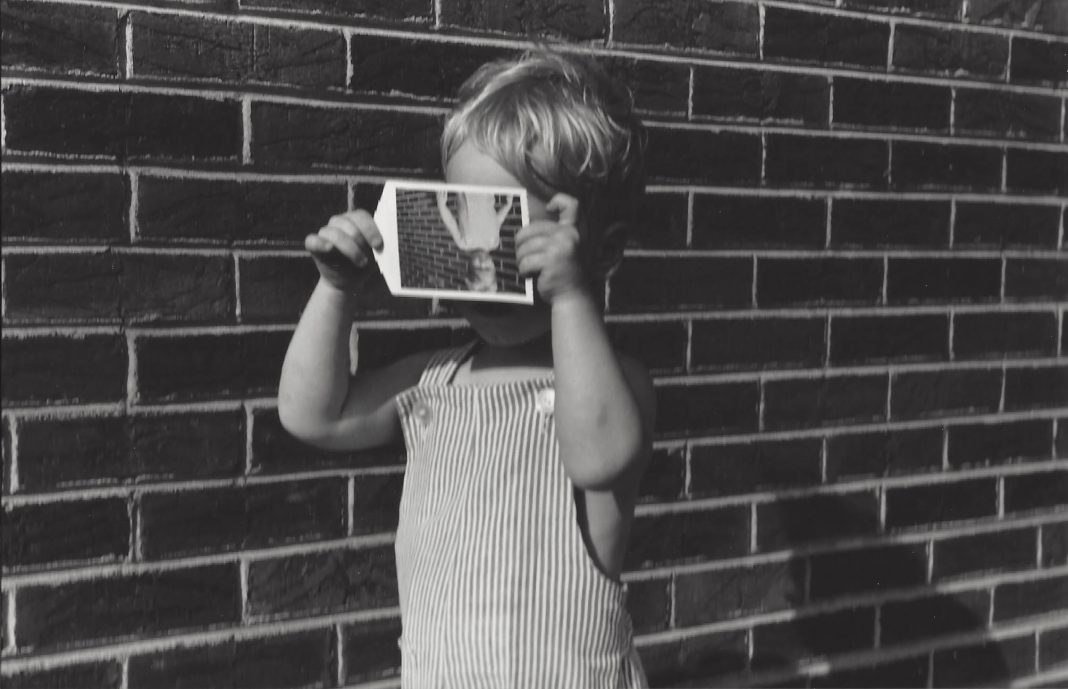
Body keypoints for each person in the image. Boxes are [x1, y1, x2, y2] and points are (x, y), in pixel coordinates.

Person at [278, 46, 652, 687]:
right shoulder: (433, 382)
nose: (481, 254)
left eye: (513, 233)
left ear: (602, 249)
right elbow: (313, 415)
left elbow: (598, 460)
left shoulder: (613, 388)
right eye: (462, 220)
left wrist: (570, 294)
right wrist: (336, 289)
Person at [435, 189, 514, 292]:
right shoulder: (494, 243)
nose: (483, 263)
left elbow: (451, 223)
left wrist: (441, 206)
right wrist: (507, 206)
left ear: (469, 266)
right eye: (487, 268)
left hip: (465, 191)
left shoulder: (464, 244)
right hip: (487, 193)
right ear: (493, 267)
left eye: (478, 267)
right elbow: (497, 222)